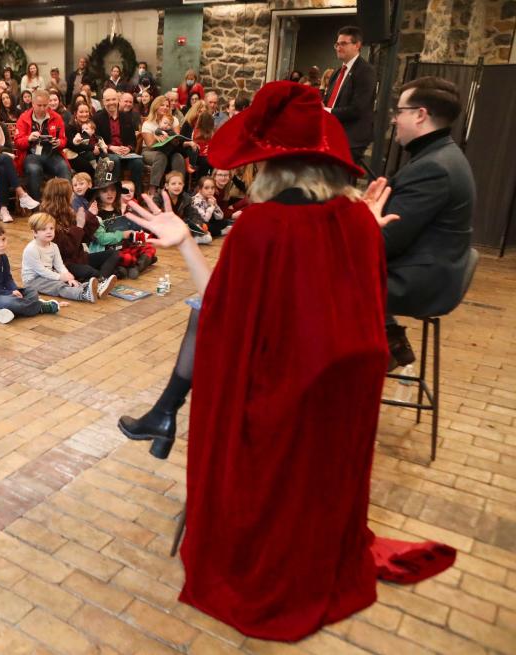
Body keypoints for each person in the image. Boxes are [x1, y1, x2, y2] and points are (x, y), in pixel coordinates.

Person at [118, 79, 462, 643]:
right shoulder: (356, 221)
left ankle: (165, 413)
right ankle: (167, 415)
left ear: (267, 165)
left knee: (209, 355)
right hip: (344, 399)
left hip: (283, 401)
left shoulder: (261, 227)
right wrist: (367, 233)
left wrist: (184, 243)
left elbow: (221, 319)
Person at [382, 76, 474, 370]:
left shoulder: (433, 166)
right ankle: (387, 342)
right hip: (428, 267)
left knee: (322, 276)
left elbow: (387, 241)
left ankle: (371, 356)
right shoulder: (440, 154)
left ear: (420, 114)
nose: (395, 120)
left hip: (422, 280)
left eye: (399, 111)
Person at [0, 220, 60, 324]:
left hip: (3, 293)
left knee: (32, 292)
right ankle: (39, 307)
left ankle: (7, 311)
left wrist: (13, 289)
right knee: (10, 302)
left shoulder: (3, 257)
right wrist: (9, 293)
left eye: (3, 239)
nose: (1, 244)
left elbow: (8, 279)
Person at [42, 177, 118, 290]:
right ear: (62, 197)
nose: (73, 195)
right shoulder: (47, 220)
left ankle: (100, 281)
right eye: (70, 192)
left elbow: (85, 239)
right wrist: (79, 226)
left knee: (113, 254)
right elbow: (67, 249)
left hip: (79, 258)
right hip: (63, 264)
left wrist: (91, 216)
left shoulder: (68, 211)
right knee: (91, 271)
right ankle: (100, 280)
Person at [324, 25, 376, 167]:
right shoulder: (336, 72)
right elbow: (328, 100)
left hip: (351, 137)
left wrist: (327, 112)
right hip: (331, 133)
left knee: (339, 181)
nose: (338, 47)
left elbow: (357, 109)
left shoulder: (365, 71)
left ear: (357, 45)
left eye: (343, 43)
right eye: (337, 44)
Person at [21, 212, 99, 303]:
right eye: (44, 229)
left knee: (69, 281)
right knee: (58, 286)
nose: (49, 231)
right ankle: (83, 294)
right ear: (34, 232)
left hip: (48, 275)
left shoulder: (54, 246)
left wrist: (68, 276)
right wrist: (59, 277)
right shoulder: (31, 249)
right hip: (33, 281)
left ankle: (91, 289)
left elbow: (59, 265)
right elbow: (41, 270)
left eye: (51, 228)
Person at [14, 89, 70, 201]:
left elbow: (63, 140)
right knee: (34, 170)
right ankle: (36, 205)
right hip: (31, 155)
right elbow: (18, 142)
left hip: (52, 154)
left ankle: (66, 203)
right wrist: (29, 138)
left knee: (63, 168)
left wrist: (59, 143)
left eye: (45, 105)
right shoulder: (24, 118)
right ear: (33, 104)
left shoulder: (56, 117)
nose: (43, 108)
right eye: (39, 105)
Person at [95, 88, 144, 197]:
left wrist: (129, 148)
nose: (111, 102)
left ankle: (137, 196)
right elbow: (96, 139)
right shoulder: (98, 118)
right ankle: (116, 196)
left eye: (113, 99)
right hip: (107, 153)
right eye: (108, 100)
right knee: (114, 160)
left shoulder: (126, 117)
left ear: (118, 100)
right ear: (103, 102)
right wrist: (110, 147)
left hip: (125, 154)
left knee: (138, 163)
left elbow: (133, 140)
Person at [141, 96, 185, 196]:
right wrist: (155, 136)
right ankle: (153, 189)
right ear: (155, 106)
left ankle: (179, 189)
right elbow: (150, 145)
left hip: (169, 150)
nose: (165, 107)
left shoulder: (173, 120)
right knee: (161, 156)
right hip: (150, 151)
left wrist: (174, 139)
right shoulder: (147, 123)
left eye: (167, 106)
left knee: (178, 157)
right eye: (162, 105)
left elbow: (176, 139)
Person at [65, 103, 105, 177]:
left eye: (86, 112)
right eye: (81, 112)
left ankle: (103, 185)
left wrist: (98, 148)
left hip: (89, 152)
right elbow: (72, 146)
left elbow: (97, 138)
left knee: (105, 160)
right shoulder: (70, 127)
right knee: (88, 166)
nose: (84, 114)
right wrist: (92, 148)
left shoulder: (91, 124)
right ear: (75, 113)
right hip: (74, 153)